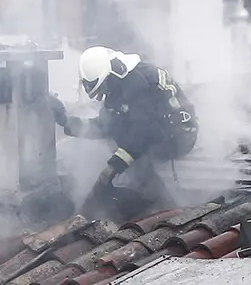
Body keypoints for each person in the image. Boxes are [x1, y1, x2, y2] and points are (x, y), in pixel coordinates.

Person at [49, 46, 198, 211]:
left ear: (110, 76)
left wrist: (112, 168)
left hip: (179, 135)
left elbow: (142, 133)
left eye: (103, 88)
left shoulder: (140, 83)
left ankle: (163, 206)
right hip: (156, 129)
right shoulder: (118, 87)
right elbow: (104, 126)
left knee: (131, 155)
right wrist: (66, 121)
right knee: (117, 137)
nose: (103, 94)